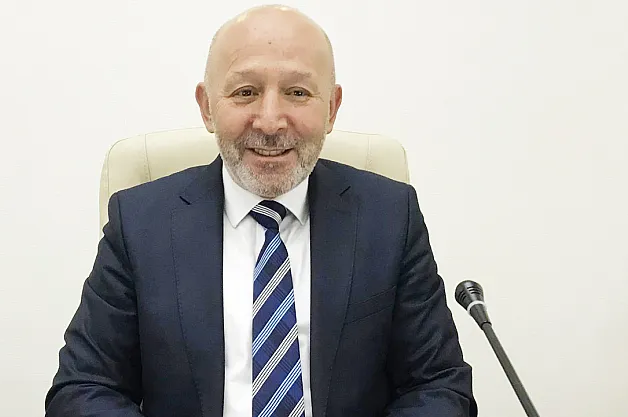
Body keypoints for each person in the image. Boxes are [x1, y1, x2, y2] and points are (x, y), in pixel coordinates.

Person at [45, 4, 477, 417]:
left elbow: (437, 385)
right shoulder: (140, 224)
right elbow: (84, 388)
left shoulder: (390, 217)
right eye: (246, 92)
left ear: (332, 108)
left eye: (297, 93)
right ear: (207, 107)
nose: (270, 121)